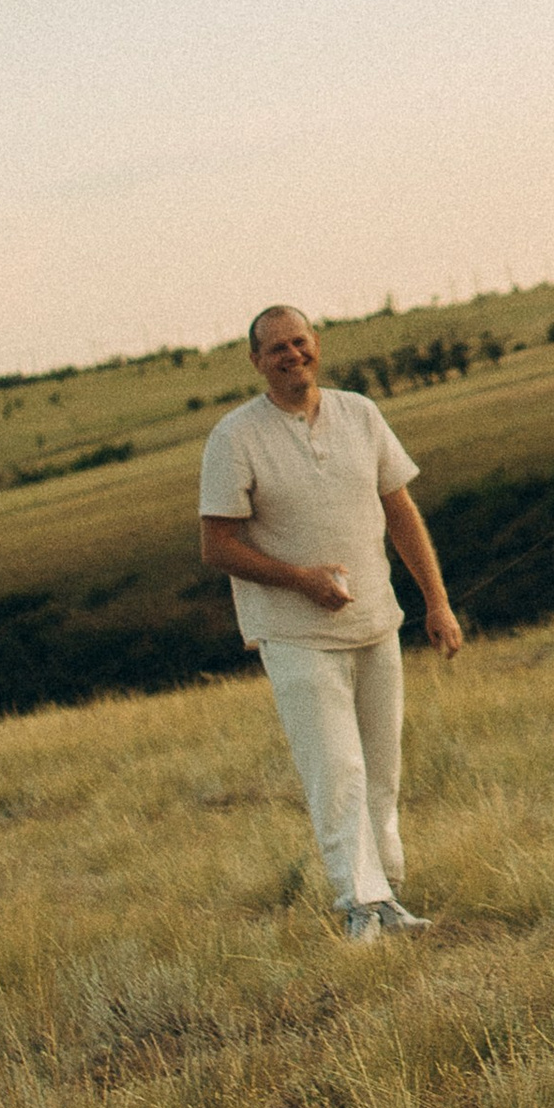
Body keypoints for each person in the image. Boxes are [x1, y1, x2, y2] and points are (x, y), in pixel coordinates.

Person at [198, 304, 465, 944]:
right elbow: (217, 547)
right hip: (296, 635)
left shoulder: (360, 414)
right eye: (276, 349)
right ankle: (357, 907)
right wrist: (301, 580)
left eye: (299, 342)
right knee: (336, 770)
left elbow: (400, 511)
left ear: (317, 344)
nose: (292, 356)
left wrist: (436, 601)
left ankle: (389, 897)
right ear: (257, 361)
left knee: (381, 768)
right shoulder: (236, 437)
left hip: (376, 622)